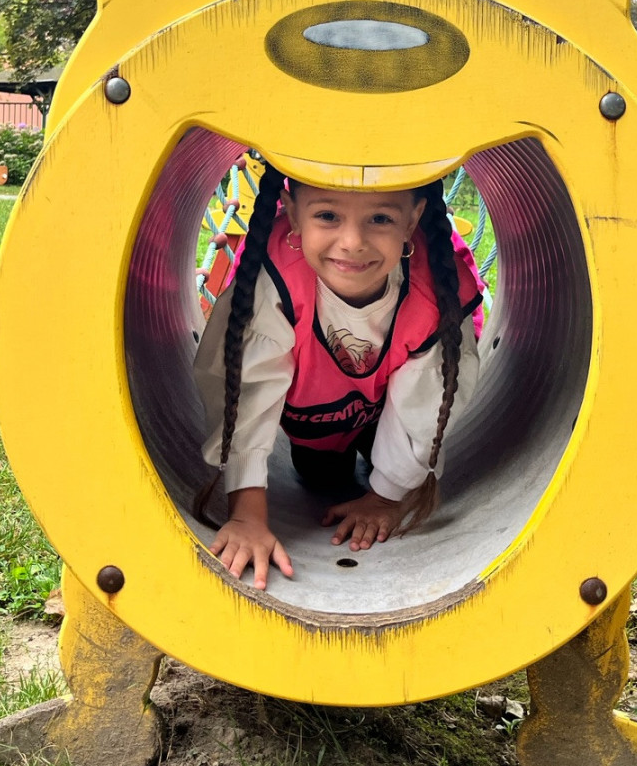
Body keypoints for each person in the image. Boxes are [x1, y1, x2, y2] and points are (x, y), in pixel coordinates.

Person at [193, 165, 483, 589]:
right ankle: (339, 459)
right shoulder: (276, 276)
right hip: (316, 419)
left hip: (387, 407)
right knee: (322, 476)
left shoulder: (433, 287)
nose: (352, 242)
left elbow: (430, 395)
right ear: (293, 214)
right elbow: (248, 386)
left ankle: (384, 472)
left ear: (412, 221)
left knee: (397, 473)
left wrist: (385, 498)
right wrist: (247, 515)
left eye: (380, 218)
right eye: (328, 216)